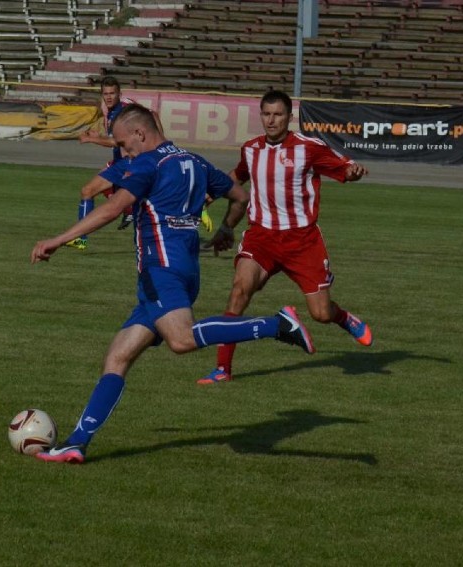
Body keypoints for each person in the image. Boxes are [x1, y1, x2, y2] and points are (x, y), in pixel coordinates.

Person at [30, 104, 316, 464]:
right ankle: (75, 443)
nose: (123, 151)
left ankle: (277, 324)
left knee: (181, 340)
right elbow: (240, 196)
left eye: (124, 143)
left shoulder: (148, 163)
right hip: (181, 270)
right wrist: (227, 228)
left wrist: (58, 240)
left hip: (160, 269)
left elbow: (112, 208)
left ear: (140, 133)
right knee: (118, 357)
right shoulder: (193, 160)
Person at [199, 90, 373, 385]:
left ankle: (343, 317)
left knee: (320, 313)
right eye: (266, 114)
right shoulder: (251, 149)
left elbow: (343, 167)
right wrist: (209, 195)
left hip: (302, 242)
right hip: (261, 237)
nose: (271, 120)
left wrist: (353, 172)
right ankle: (222, 369)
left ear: (289, 117)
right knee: (239, 292)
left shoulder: (309, 147)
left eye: (278, 114)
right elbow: (237, 176)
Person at [67, 76, 212, 250]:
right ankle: (85, 237)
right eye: (106, 94)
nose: (109, 97)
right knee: (91, 191)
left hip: (131, 162)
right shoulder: (110, 111)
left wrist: (94, 140)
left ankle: (196, 205)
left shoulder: (124, 110)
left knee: (133, 201)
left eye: (112, 93)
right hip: (121, 162)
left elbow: (123, 136)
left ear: (119, 93)